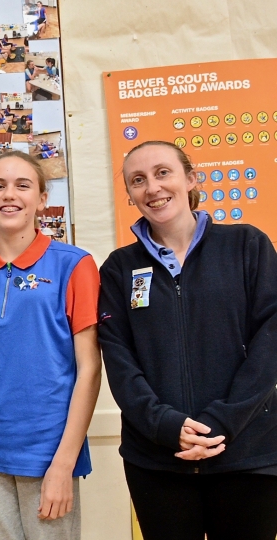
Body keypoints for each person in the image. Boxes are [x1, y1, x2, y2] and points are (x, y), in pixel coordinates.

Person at [98, 140, 277, 540]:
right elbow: (119, 359)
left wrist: (219, 424)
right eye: (138, 180)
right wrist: (167, 425)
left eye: (163, 173)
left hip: (247, 454)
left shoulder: (247, 245)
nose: (153, 188)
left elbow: (270, 344)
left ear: (190, 178)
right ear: (130, 195)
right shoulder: (118, 269)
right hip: (157, 460)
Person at [0, 150, 101, 540]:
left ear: (42, 198)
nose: (9, 195)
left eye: (22, 185)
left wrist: (63, 463)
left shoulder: (74, 264)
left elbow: (89, 370)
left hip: (48, 449)